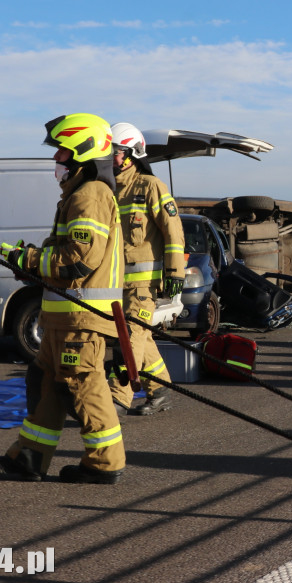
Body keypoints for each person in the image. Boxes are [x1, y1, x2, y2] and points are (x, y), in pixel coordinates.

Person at [0, 113, 126, 484]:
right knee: (47, 381)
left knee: (84, 385)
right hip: (64, 319)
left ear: (82, 152)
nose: (55, 161)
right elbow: (65, 255)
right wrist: (30, 264)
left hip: (81, 319)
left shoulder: (90, 195)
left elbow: (77, 260)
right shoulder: (78, 195)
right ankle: (29, 458)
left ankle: (104, 464)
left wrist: (28, 259)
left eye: (62, 153)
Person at [107, 122, 186, 416]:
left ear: (131, 154)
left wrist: (175, 273)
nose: (110, 158)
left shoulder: (151, 187)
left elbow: (173, 231)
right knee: (142, 337)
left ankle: (117, 398)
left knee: (129, 337)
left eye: (115, 152)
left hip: (144, 285)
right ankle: (161, 390)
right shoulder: (110, 191)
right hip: (116, 284)